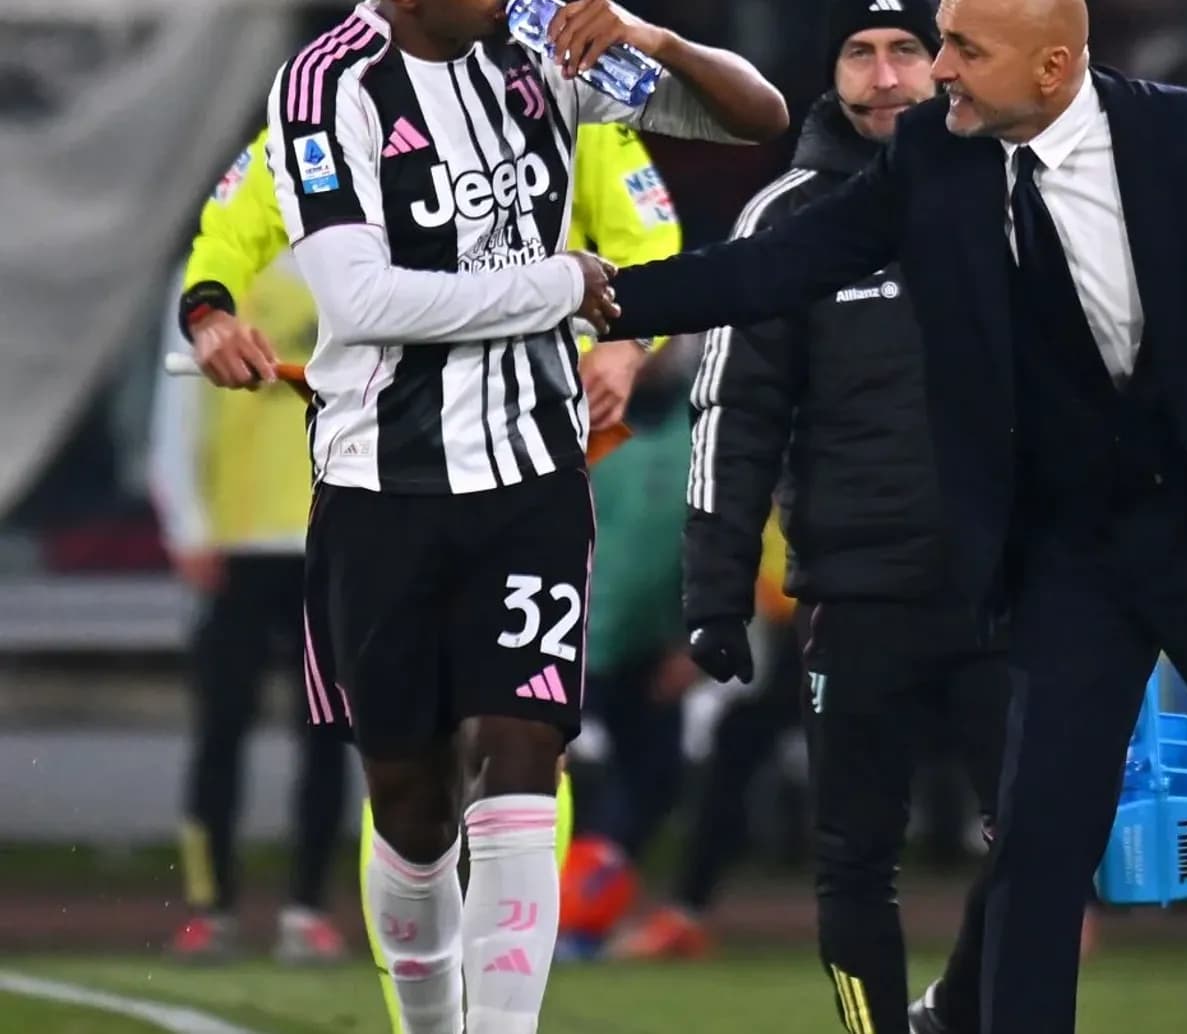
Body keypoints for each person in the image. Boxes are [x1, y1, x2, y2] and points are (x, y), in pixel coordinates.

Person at [605, 1, 1187, 1030]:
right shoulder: (932, 157)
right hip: (1069, 553)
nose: (936, 70)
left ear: (1052, 68)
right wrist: (604, 298)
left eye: (962, 49)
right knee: (1037, 852)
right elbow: (778, 268)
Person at [190, 2, 785, 1031]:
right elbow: (366, 302)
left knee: (523, 754)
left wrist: (653, 39)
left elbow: (754, 117)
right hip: (381, 487)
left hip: (532, 476)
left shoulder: (539, 39)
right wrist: (567, 284)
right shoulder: (325, 87)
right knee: (411, 805)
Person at [671, 3, 1009, 1030]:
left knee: (1047, 832)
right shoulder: (784, 219)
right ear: (831, 76)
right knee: (854, 853)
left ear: (945, 62)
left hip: (1011, 584)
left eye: (907, 49)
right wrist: (715, 588)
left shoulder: (1017, 193)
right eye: (859, 54)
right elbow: (733, 410)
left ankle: (956, 1007)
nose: (885, 74)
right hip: (855, 595)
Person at [152, 241, 350, 964]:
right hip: (235, 546)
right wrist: (188, 525)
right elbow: (174, 403)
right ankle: (212, 911)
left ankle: (306, 911)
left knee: (328, 737)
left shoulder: (363, 263)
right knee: (218, 735)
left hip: (329, 542)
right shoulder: (217, 276)